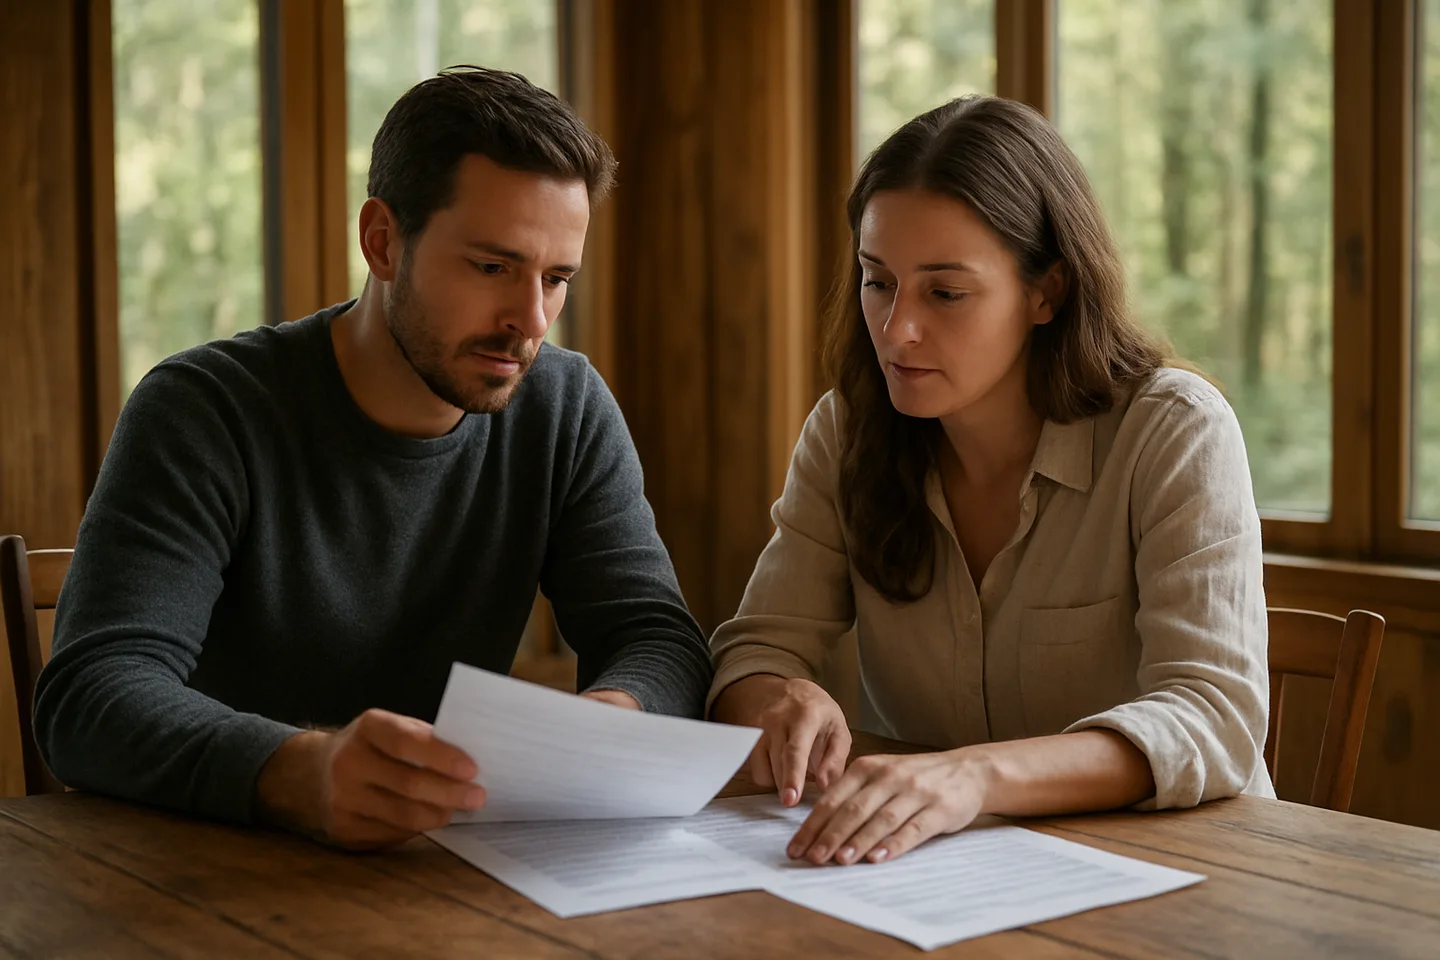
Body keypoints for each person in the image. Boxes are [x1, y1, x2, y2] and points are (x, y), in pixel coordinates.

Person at [35, 67, 712, 849]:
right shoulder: (204, 410)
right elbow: (90, 696)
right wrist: (303, 772)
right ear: (383, 242)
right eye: (492, 267)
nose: (530, 320)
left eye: (556, 279)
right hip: (207, 867)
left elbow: (657, 638)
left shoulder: (565, 407)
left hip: (445, 872)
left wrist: (610, 720)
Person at [709, 95, 1273, 868]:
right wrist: (780, 695)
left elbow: (1213, 716)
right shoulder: (846, 432)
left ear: (1047, 292)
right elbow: (755, 650)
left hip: (1187, 870)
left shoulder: (1174, 430)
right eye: (878, 282)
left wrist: (974, 775)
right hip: (940, 873)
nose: (897, 329)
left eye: (945, 292)